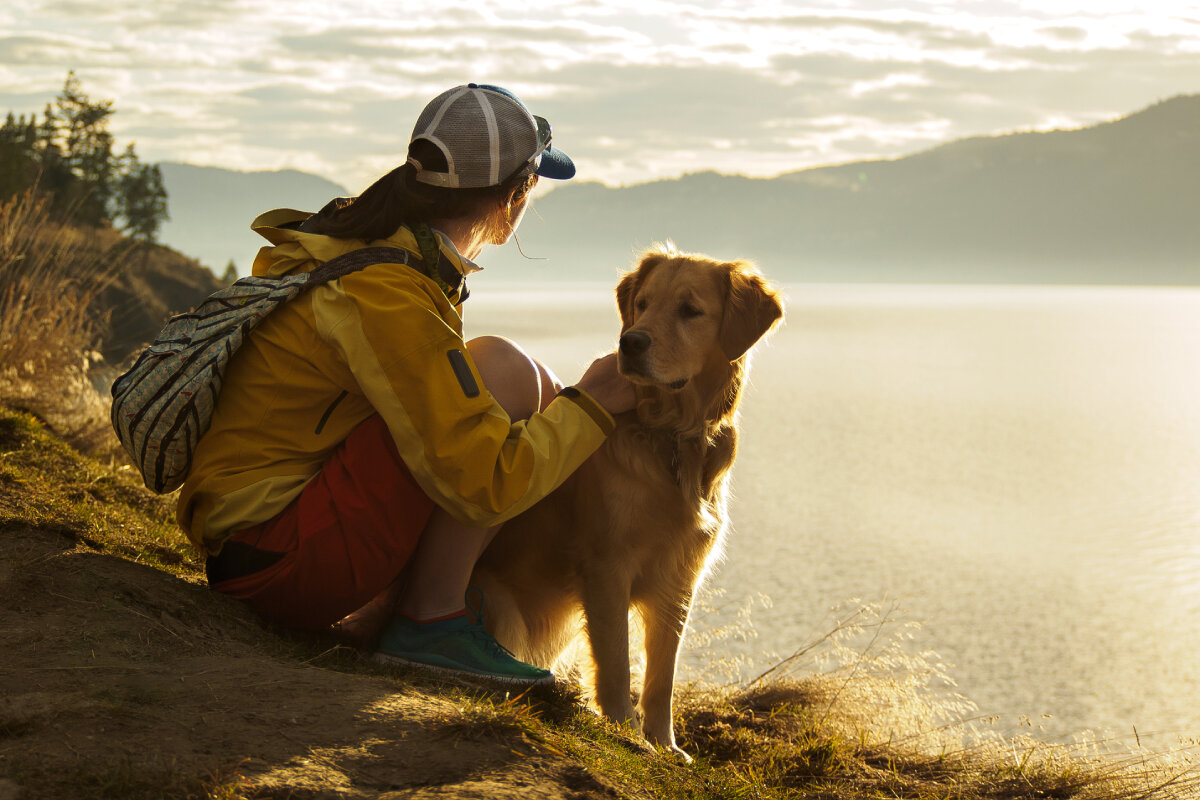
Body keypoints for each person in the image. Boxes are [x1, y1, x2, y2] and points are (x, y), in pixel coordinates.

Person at [177, 83, 636, 685]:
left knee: (523, 381)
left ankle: (420, 606)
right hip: (280, 560)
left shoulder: (372, 247)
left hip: (254, 543)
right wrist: (593, 406)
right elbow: (480, 482)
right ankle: (429, 619)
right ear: (515, 195)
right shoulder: (388, 290)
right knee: (508, 372)